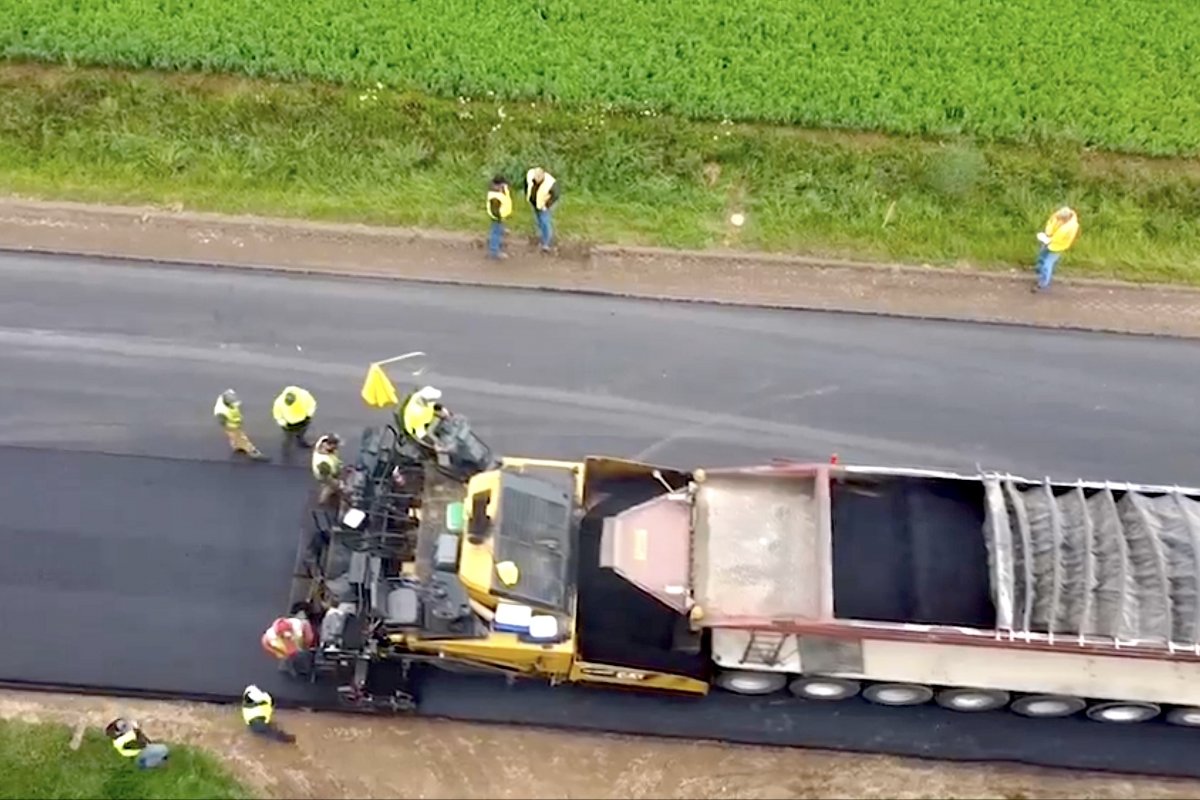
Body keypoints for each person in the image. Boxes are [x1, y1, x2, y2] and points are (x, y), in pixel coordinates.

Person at [1032, 206, 1081, 292]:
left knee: (1047, 264)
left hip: (1057, 247)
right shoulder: (1057, 215)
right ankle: (1039, 269)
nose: (1058, 218)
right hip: (1048, 240)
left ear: (1066, 218)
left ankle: (1043, 283)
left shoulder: (1071, 227)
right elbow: (1050, 223)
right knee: (1041, 256)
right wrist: (1047, 235)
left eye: (1060, 218)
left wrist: (1050, 240)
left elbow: (1061, 237)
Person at [212, 389, 268, 461]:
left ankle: (237, 446)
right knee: (241, 438)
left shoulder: (226, 398)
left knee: (235, 438)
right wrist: (233, 427)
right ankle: (252, 452)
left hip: (235, 422)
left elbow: (230, 392)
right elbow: (223, 423)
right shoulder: (221, 412)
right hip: (231, 426)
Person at [261, 614, 316, 678]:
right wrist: (280, 654)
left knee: (304, 659)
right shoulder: (270, 638)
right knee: (291, 662)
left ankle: (306, 670)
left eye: (288, 631)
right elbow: (268, 647)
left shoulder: (299, 626)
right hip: (287, 654)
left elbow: (308, 636)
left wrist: (306, 645)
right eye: (283, 634)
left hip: (301, 648)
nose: (287, 635)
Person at [105, 718, 171, 769]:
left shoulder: (118, 741)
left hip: (139, 756)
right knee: (163, 749)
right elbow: (143, 743)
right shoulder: (125, 739)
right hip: (141, 757)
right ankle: (158, 763)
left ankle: (160, 762)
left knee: (159, 750)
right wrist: (136, 728)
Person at [524, 167, 559, 252]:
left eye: (538, 180)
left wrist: (546, 206)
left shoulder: (551, 183)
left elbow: (555, 196)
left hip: (545, 205)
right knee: (538, 221)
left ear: (543, 176)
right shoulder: (530, 176)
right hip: (535, 203)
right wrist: (529, 197)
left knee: (545, 222)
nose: (536, 181)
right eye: (535, 179)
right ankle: (541, 237)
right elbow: (526, 185)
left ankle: (546, 243)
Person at [272, 386, 317, 451]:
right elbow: (277, 415)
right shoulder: (279, 402)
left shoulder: (304, 396)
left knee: (302, 432)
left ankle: (300, 441)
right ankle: (287, 447)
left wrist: (309, 414)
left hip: (304, 419)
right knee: (288, 437)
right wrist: (283, 423)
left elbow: (312, 404)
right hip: (288, 423)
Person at [311, 433, 343, 505]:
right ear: (331, 445)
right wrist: (337, 484)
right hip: (326, 476)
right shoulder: (323, 463)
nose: (338, 447)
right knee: (329, 487)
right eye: (336, 445)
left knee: (331, 486)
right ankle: (322, 501)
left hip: (331, 471)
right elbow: (327, 478)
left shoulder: (323, 441)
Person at [486, 175, 513, 260]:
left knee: (497, 231)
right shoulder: (494, 196)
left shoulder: (500, 190)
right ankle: (494, 252)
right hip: (497, 217)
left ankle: (497, 243)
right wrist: (500, 219)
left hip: (500, 216)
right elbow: (495, 210)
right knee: (495, 233)